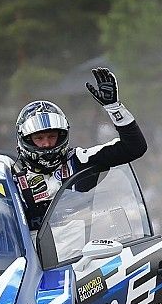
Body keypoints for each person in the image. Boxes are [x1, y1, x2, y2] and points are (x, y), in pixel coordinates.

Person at [12, 67, 147, 230]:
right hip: (34, 253)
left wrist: (114, 108)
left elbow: (135, 147)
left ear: (61, 136)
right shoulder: (12, 178)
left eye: (52, 137)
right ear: (26, 139)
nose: (46, 144)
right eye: (39, 138)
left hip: (84, 252)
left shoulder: (80, 159)